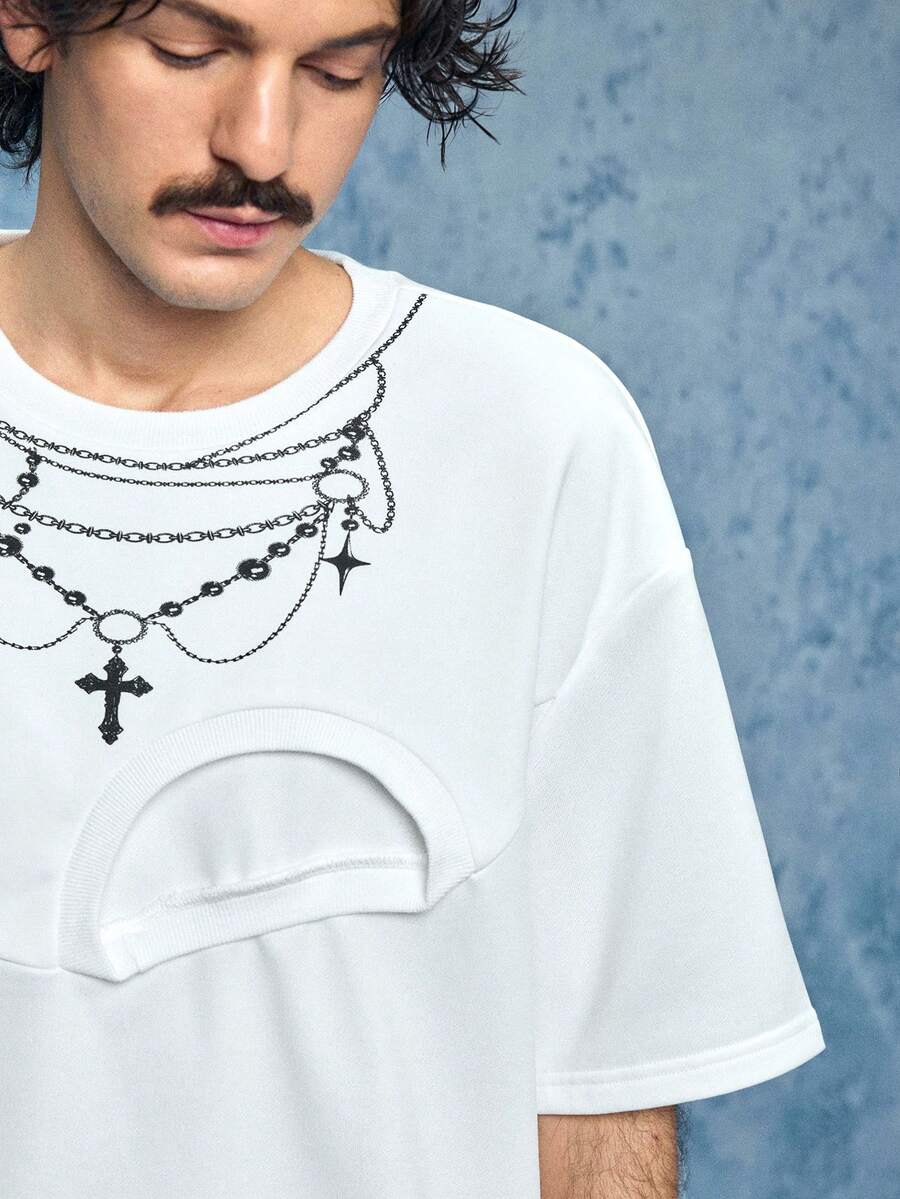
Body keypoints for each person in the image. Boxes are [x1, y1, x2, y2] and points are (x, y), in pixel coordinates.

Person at [0, 2, 825, 1196]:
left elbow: (603, 1085)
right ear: (30, 19)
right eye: (192, 53)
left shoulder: (534, 438)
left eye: (339, 72)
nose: (263, 146)